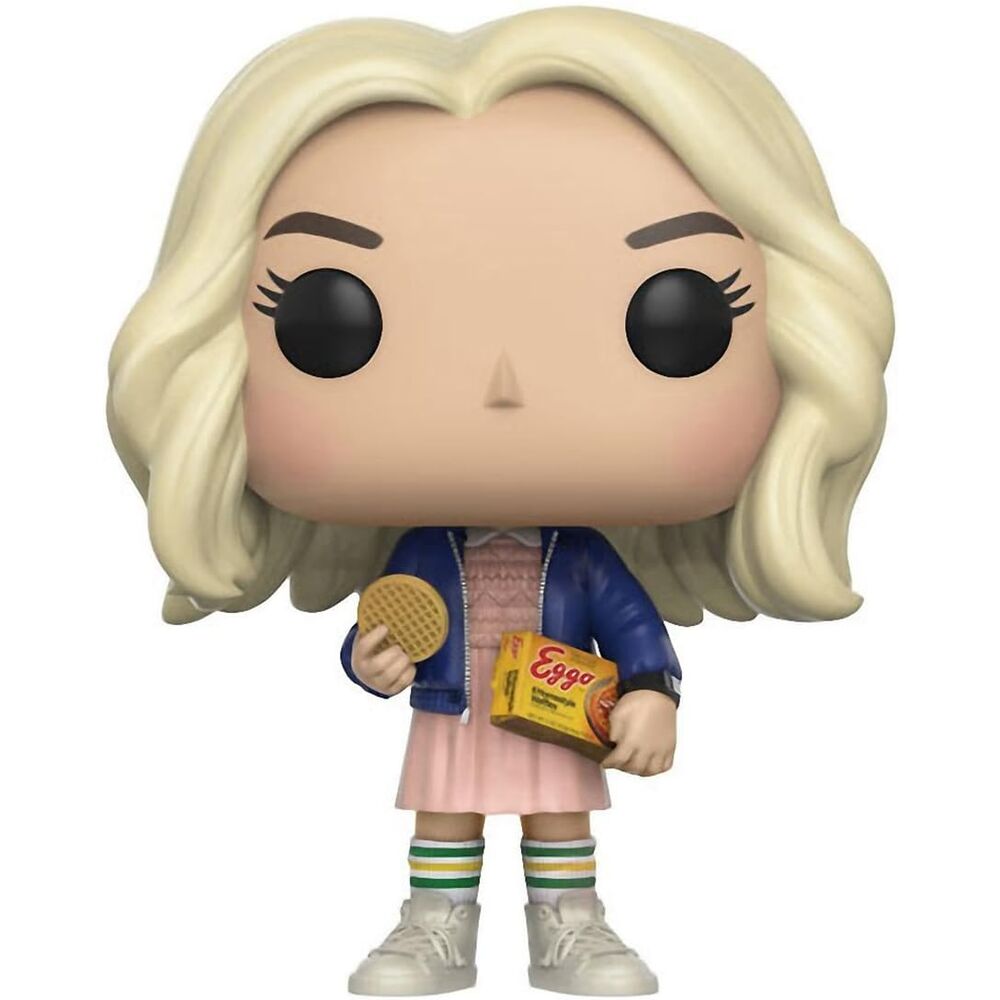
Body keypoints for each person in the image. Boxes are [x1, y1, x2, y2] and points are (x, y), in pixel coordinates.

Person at [107, 8, 893, 995]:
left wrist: (653, 691)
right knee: (444, 818)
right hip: (452, 701)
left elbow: (632, 627)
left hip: (562, 703)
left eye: (674, 316)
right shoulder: (424, 551)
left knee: (560, 818)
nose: (504, 385)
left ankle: (569, 924)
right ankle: (435, 924)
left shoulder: (582, 558)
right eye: (331, 319)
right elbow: (384, 627)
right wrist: (369, 660)